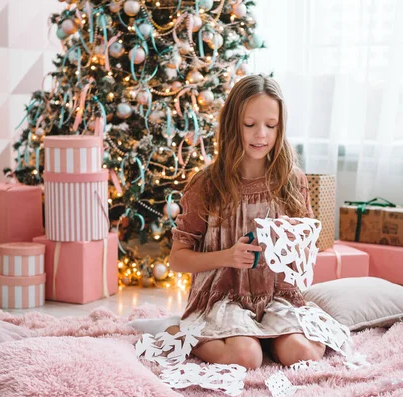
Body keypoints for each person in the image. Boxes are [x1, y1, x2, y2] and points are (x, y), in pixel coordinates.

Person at [129, 75, 325, 369]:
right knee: (246, 358)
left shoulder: (292, 180)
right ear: (233, 124)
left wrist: (296, 251)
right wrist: (228, 256)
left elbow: (308, 249)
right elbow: (177, 260)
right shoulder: (207, 184)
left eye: (271, 126)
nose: (261, 135)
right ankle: (179, 330)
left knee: (302, 353)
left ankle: (267, 336)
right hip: (223, 298)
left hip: (277, 296)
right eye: (250, 125)